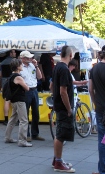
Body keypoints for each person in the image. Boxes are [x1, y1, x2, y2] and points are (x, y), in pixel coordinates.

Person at [51, 45, 75, 173]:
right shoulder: (64, 69)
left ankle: (57, 160)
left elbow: (52, 85)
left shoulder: (56, 67)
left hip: (58, 105)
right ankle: (58, 163)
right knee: (61, 134)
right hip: (63, 107)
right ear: (70, 55)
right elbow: (63, 91)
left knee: (59, 133)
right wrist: (69, 109)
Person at [4, 58, 31, 147]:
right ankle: (22, 140)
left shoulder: (11, 76)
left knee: (13, 119)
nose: (22, 66)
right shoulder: (18, 77)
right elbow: (27, 88)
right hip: (20, 100)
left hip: (14, 101)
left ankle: (7, 137)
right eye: (21, 64)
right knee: (24, 120)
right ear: (17, 67)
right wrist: (26, 84)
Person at [19, 50, 44, 141]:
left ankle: (35, 133)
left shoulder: (32, 65)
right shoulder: (20, 67)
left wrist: (36, 66)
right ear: (23, 58)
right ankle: (27, 134)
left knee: (36, 113)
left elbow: (40, 77)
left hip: (34, 90)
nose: (31, 59)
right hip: (26, 91)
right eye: (29, 57)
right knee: (25, 114)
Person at [89, 50, 105, 174]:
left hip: (100, 108)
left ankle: (102, 169)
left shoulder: (94, 69)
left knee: (102, 139)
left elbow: (90, 89)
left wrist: (95, 102)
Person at [0, 49, 16, 125]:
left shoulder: (2, 62)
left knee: (7, 101)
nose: (15, 53)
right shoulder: (15, 62)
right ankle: (16, 120)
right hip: (14, 81)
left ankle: (6, 119)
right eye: (14, 52)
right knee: (16, 101)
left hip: (5, 83)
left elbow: (0, 75)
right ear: (10, 53)